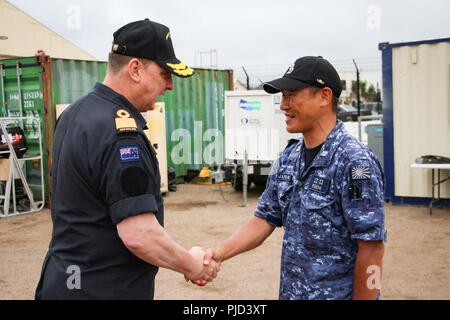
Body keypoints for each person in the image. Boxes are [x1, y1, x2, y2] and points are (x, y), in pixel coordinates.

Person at [35, 19, 219, 300]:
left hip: (61, 282)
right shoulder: (122, 133)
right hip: (102, 290)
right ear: (135, 69)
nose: (169, 85)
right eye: (164, 73)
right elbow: (140, 234)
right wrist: (192, 265)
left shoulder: (74, 113)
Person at [200, 56, 386, 300]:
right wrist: (216, 254)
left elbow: (372, 248)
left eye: (291, 95)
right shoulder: (289, 158)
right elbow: (264, 219)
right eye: (282, 96)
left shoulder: (354, 163)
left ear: (324, 96)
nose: (283, 105)